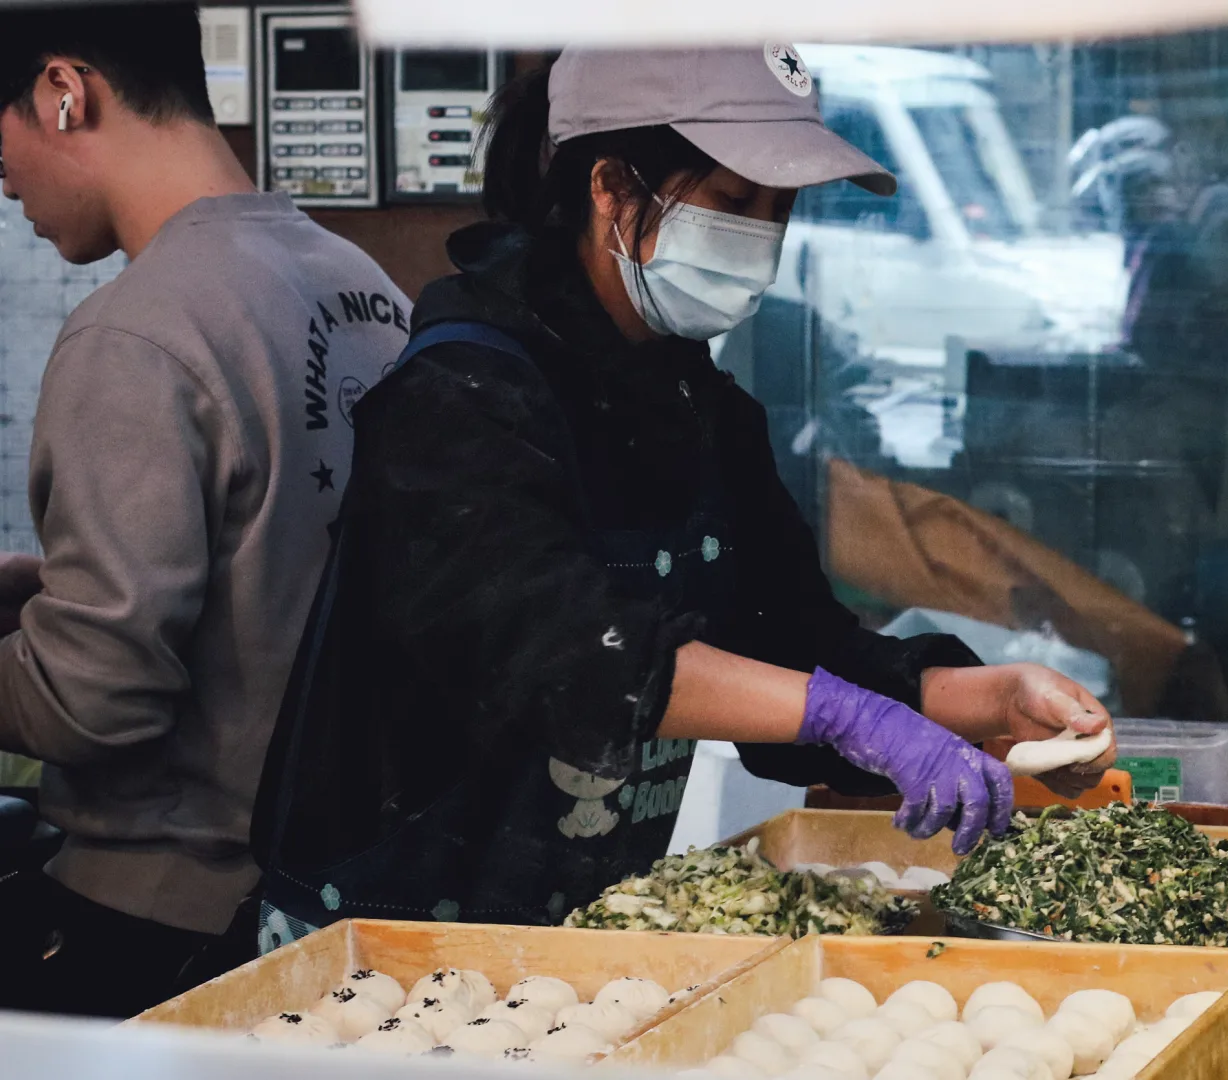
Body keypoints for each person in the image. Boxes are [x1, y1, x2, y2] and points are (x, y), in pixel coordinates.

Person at [252, 45, 1115, 945]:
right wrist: (848, 717)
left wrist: (981, 699)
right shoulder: (459, 398)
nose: (763, 240)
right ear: (613, 188)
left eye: (780, 211)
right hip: (377, 941)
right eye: (736, 202)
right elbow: (569, 654)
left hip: (578, 936)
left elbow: (796, 649)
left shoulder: (701, 409)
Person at [0, 5, 409, 1016]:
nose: (3, 185)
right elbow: (279, 556)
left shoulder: (134, 334)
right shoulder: (362, 286)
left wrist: (52, 647)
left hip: (159, 927)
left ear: (65, 91)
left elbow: (95, 698)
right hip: (330, 906)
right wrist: (51, 592)